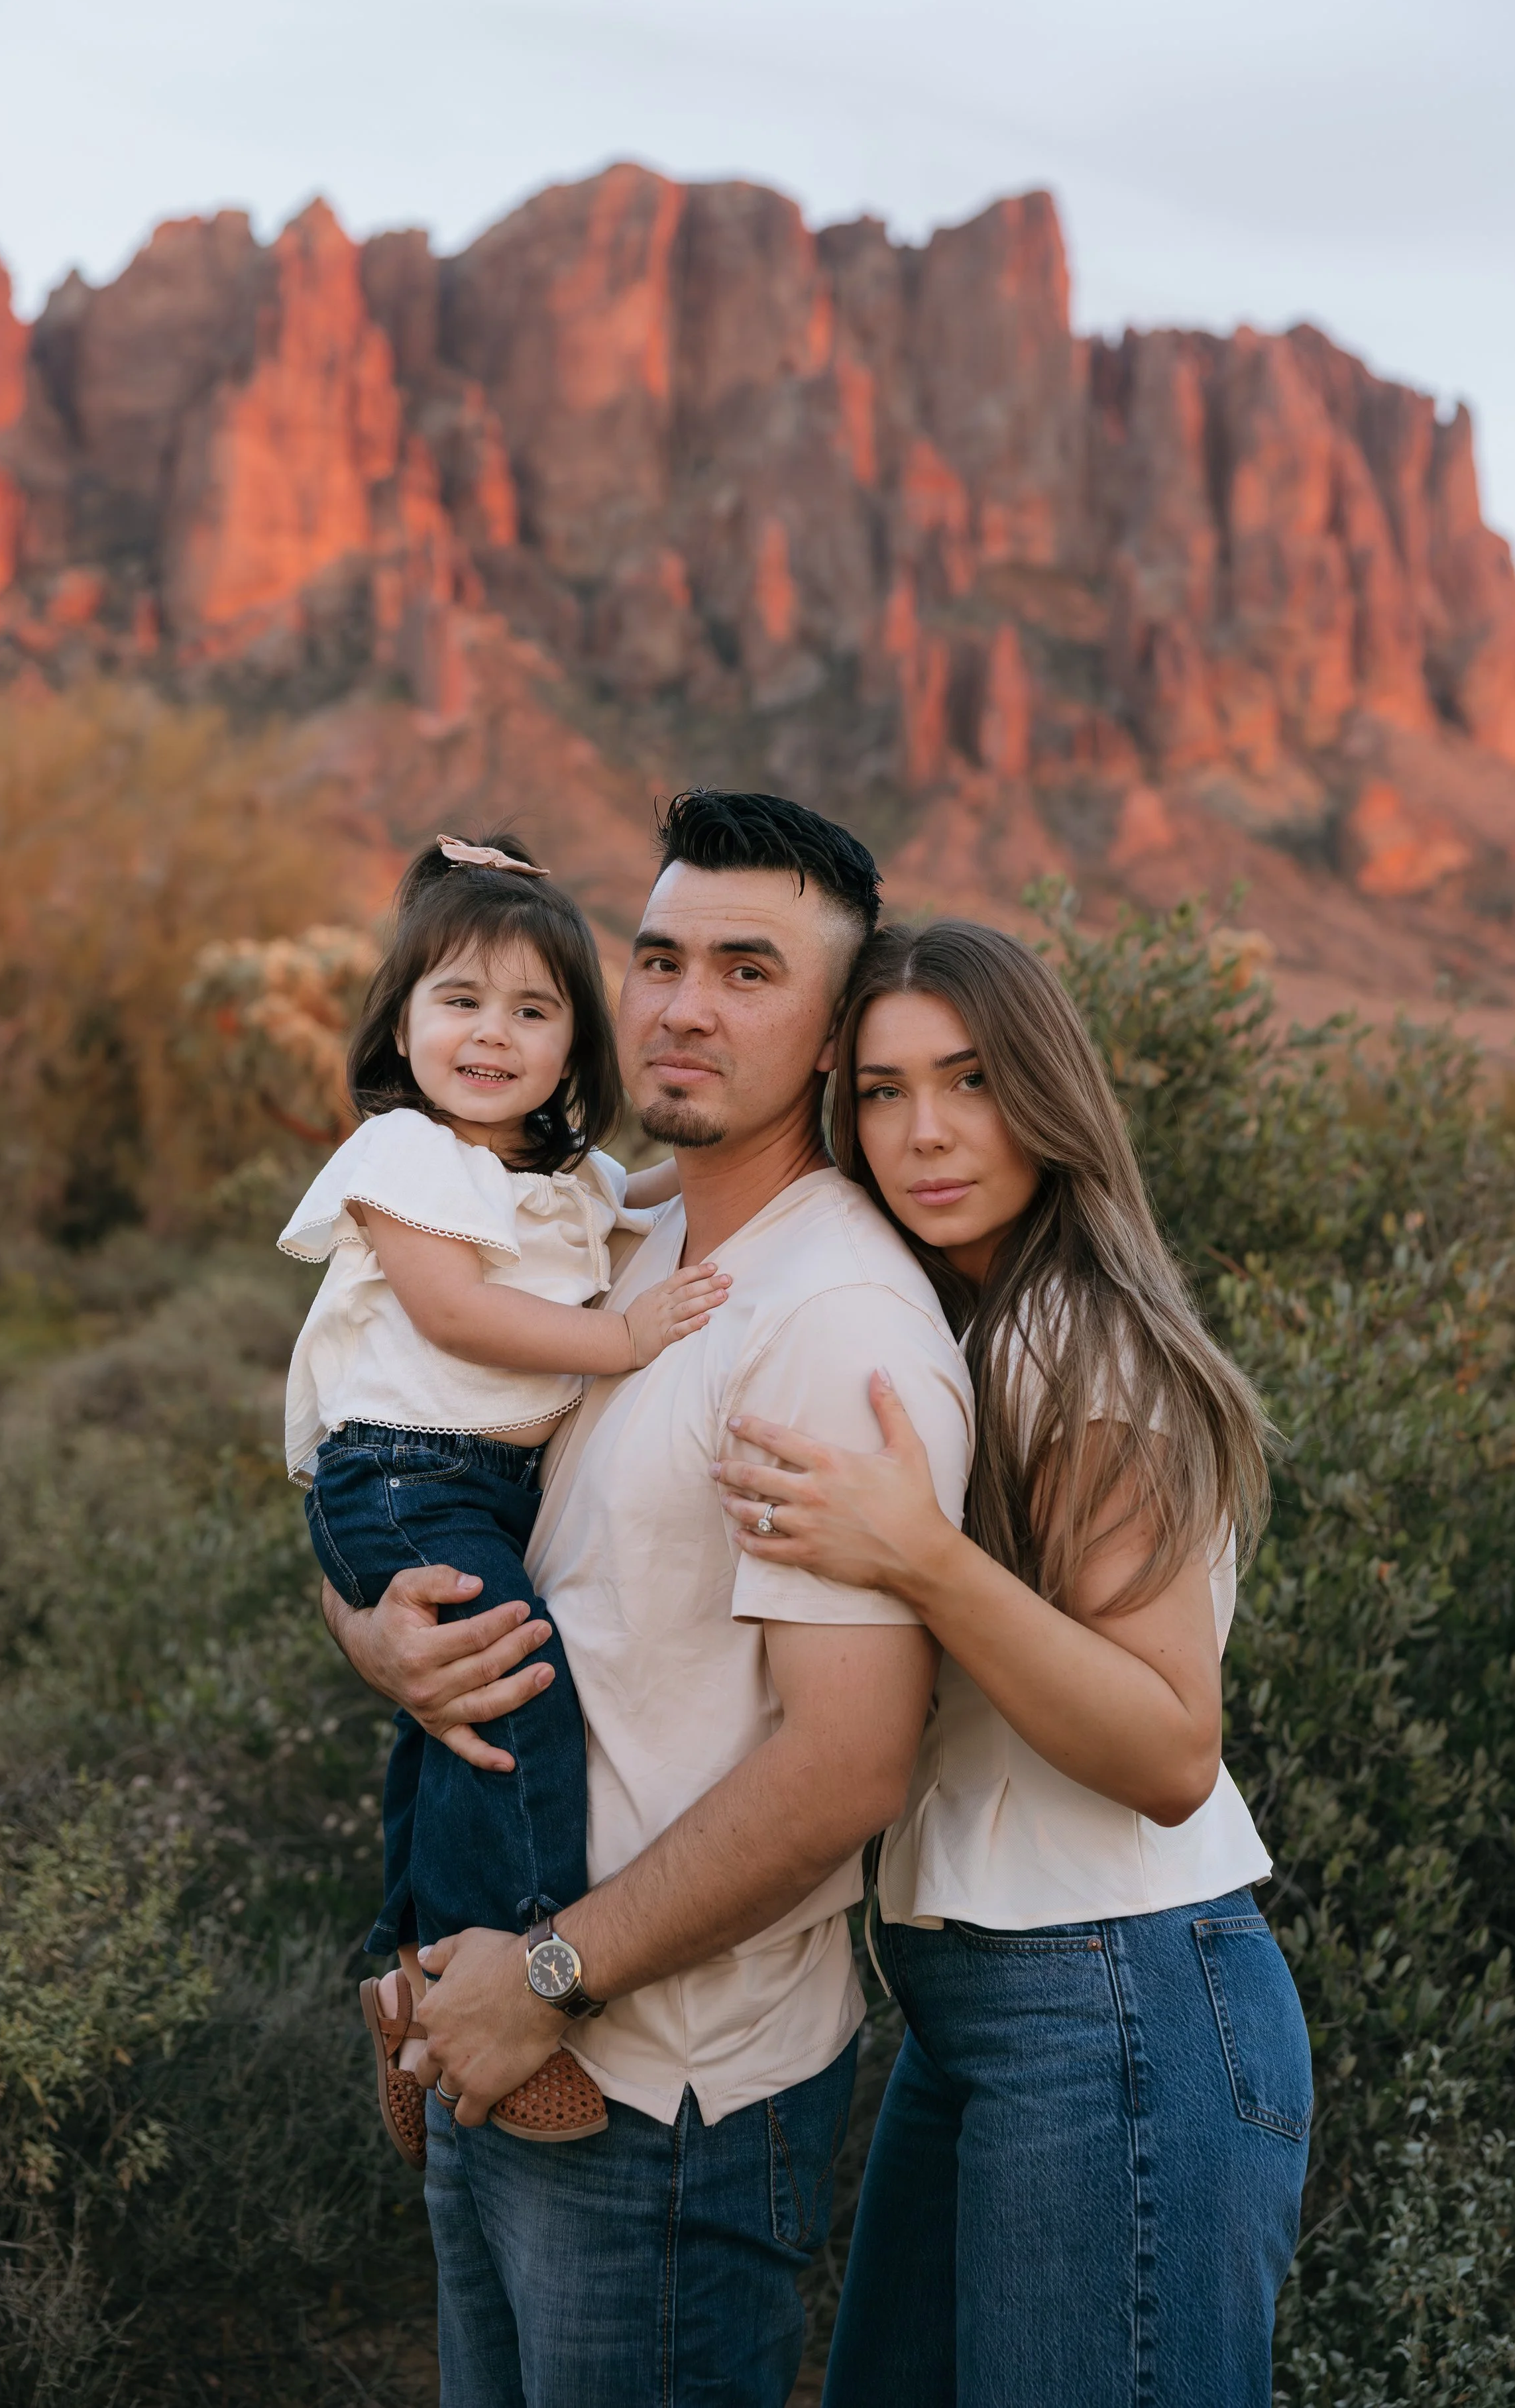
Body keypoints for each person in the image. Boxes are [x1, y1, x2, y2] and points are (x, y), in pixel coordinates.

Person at [319, 791, 975, 2408]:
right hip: (487, 2032)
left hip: (658, 2094)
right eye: (661, 955)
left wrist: (548, 1980)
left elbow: (846, 1766)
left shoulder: (833, 1324)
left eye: (748, 971)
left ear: (833, 1037)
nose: (682, 1005)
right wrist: (372, 1637)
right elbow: (415, 1461)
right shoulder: (609, 1231)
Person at [714, 917, 1312, 2408]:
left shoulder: (1078, 1344)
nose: (923, 1133)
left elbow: (1171, 1747)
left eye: (969, 1082)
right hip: (990, 2005)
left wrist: (918, 1555)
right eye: (878, 1089)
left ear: (1042, 1093)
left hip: (1114, 1995)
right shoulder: (958, 1323)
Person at [279, 830, 724, 2165]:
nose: (492, 1034)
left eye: (533, 1009)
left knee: (444, 1724)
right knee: (513, 1691)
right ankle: (504, 1961)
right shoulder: (407, 1157)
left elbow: (646, 1188)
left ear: (573, 1042)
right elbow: (457, 1314)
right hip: (402, 1475)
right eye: (458, 1001)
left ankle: (402, 1978)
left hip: (465, 1485)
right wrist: (628, 1341)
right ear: (402, 1021)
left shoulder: (553, 1180)